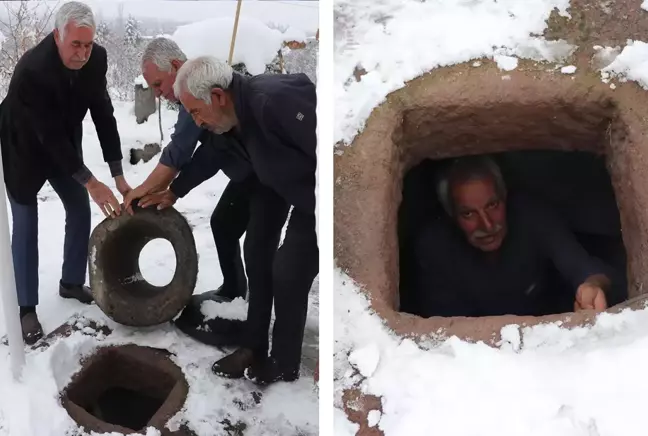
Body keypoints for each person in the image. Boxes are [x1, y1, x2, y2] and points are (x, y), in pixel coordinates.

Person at [141, 56, 318, 386]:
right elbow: (209, 156)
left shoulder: (275, 103)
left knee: (288, 271)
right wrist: (175, 191)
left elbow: (332, 146)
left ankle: (281, 362)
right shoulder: (226, 119)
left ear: (219, 96)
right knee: (262, 256)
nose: (196, 121)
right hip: (282, 187)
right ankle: (255, 346)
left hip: (323, 195)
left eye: (196, 112)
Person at [0, 2, 130, 345]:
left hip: (64, 145)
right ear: (58, 36)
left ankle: (70, 283)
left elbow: (103, 113)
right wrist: (91, 180)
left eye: (88, 45)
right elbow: (47, 136)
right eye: (76, 45)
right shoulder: (32, 70)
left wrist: (116, 174)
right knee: (26, 225)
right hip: (23, 146)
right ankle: (26, 308)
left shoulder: (96, 59)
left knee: (79, 206)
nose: (84, 53)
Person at [123, 37, 252, 300]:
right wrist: (172, 191)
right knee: (223, 224)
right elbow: (208, 154)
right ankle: (234, 292)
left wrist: (142, 190)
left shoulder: (196, 90)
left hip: (264, 172)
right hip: (245, 172)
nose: (158, 94)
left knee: (258, 245)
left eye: (158, 84)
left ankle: (256, 311)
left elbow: (179, 151)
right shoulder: (189, 95)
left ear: (175, 65)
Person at [408, 156, 612, 318]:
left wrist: (592, 286)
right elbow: (442, 327)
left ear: (505, 197)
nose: (487, 225)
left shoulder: (532, 215)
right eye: (468, 213)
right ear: (451, 215)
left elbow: (581, 266)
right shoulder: (434, 246)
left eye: (492, 205)